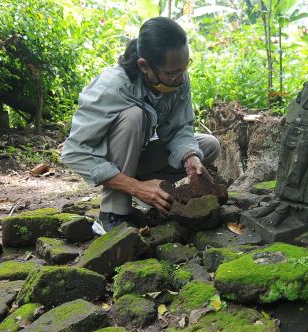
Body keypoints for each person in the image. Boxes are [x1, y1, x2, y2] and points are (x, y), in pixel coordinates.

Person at [61, 17, 220, 231]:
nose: (181, 79)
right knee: (134, 116)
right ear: (144, 66)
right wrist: (136, 187)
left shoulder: (178, 78)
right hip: (111, 159)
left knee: (208, 146)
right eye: (173, 73)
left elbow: (179, 128)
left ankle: (153, 190)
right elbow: (74, 153)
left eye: (185, 68)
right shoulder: (112, 87)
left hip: (137, 157)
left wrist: (189, 156)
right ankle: (112, 215)